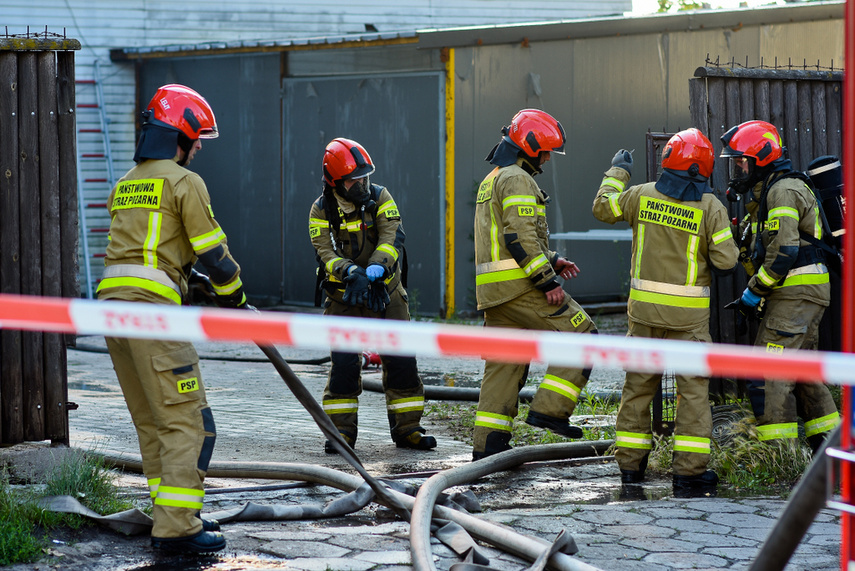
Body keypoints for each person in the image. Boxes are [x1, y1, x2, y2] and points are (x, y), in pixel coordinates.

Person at [96, 84, 245, 553]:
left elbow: (149, 250)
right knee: (189, 422)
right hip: (153, 317)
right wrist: (236, 299)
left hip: (115, 315)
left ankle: (170, 515)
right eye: (196, 135)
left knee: (153, 422)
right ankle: (178, 529)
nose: (199, 146)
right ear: (178, 132)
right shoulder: (185, 183)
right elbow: (215, 257)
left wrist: (188, 279)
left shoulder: (127, 182)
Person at [592, 128, 739, 495]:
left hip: (643, 315)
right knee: (692, 394)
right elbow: (726, 260)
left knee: (638, 389)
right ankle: (688, 475)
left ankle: (630, 470)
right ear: (702, 168)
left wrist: (616, 173)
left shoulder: (640, 195)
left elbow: (603, 208)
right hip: (688, 322)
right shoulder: (710, 207)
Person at [472, 109, 598, 461]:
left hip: (495, 293)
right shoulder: (517, 179)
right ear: (530, 147)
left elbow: (507, 236)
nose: (546, 159)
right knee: (584, 337)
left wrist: (552, 258)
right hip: (521, 287)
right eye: (545, 152)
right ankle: (550, 411)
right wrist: (547, 280)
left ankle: (488, 446)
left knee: (504, 364)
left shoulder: (493, 177)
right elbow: (519, 235)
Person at [308, 137, 437, 453]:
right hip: (344, 297)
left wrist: (376, 271)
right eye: (355, 179)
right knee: (344, 366)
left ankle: (409, 430)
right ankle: (341, 435)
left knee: (402, 361)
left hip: (386, 291)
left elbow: (392, 237)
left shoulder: (381, 197)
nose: (363, 183)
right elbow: (324, 251)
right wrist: (350, 273)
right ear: (336, 181)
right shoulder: (321, 209)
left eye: (365, 176)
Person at [720, 120, 840, 453]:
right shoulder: (771, 192)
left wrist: (753, 292)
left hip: (796, 294)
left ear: (761, 157)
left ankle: (781, 457)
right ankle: (831, 453)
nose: (737, 168)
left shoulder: (783, 190)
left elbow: (784, 250)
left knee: (767, 374)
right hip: (803, 295)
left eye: (741, 161)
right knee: (803, 376)